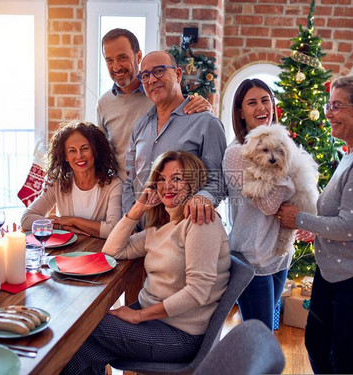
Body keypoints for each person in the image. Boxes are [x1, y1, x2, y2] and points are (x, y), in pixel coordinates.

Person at [64, 151, 231, 375]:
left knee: (82, 326)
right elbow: (111, 251)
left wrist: (139, 315)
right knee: (80, 348)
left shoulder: (200, 223)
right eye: (161, 179)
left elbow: (198, 291)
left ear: (193, 184)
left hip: (179, 334)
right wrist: (137, 209)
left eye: (177, 178)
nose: (167, 185)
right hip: (152, 317)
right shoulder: (160, 228)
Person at [278, 74, 353, 374]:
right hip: (335, 274)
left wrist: (299, 218)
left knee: (345, 363)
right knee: (317, 346)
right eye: (328, 105)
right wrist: (315, 226)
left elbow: (350, 227)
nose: (329, 113)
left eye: (338, 106)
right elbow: (344, 215)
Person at [122, 50, 226, 227]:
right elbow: (129, 181)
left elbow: (220, 180)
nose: (152, 80)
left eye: (159, 71)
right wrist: (130, 220)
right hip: (139, 236)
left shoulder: (206, 122)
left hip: (182, 235)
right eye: (145, 75)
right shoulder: (140, 126)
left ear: (178, 74)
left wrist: (202, 198)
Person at [223, 78, 295, 331]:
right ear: (240, 112)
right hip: (252, 256)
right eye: (251, 103)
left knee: (265, 332)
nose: (261, 107)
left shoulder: (282, 144)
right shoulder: (236, 154)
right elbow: (269, 205)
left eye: (265, 100)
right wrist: (289, 180)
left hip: (279, 254)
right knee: (258, 334)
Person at [97, 28, 210, 181]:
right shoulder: (104, 103)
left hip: (170, 192)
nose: (116, 67)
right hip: (127, 195)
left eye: (122, 57)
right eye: (109, 60)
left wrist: (206, 107)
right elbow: (102, 157)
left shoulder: (158, 93)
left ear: (138, 56)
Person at [21, 120, 121, 239]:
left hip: (99, 253)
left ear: (95, 151)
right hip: (65, 252)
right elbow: (26, 219)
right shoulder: (58, 183)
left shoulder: (113, 185)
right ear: (65, 157)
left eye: (84, 148)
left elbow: (113, 230)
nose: (79, 156)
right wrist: (61, 227)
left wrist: (72, 221)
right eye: (72, 151)